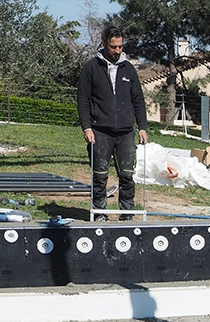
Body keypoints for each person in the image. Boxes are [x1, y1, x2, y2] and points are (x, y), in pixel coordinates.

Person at [77, 26, 148, 221]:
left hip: (126, 132)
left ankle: (127, 214)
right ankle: (100, 213)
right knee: (100, 176)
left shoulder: (129, 69)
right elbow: (83, 99)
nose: (117, 51)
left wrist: (142, 126)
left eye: (120, 47)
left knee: (127, 175)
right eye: (113, 47)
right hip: (100, 132)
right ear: (104, 43)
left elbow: (138, 100)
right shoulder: (91, 67)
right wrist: (87, 127)